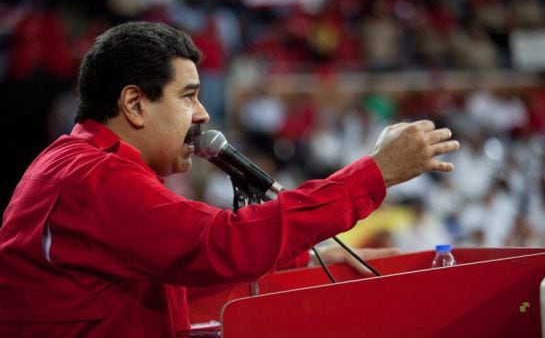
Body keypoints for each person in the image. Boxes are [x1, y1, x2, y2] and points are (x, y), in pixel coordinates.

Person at [0, 21, 459, 337]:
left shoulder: (76, 162)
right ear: (135, 105)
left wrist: (304, 260)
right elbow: (217, 247)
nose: (202, 114)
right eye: (188, 97)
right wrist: (374, 174)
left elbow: (169, 276)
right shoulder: (94, 176)